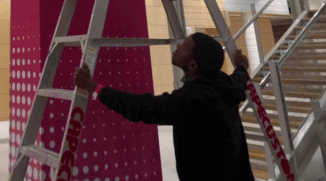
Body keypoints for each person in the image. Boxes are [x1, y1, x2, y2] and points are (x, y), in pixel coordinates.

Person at [75, 33, 255, 181]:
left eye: (184, 46)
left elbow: (143, 107)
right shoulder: (225, 84)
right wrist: (241, 65)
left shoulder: (194, 98)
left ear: (192, 65)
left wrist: (94, 87)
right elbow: (240, 78)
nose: (177, 46)